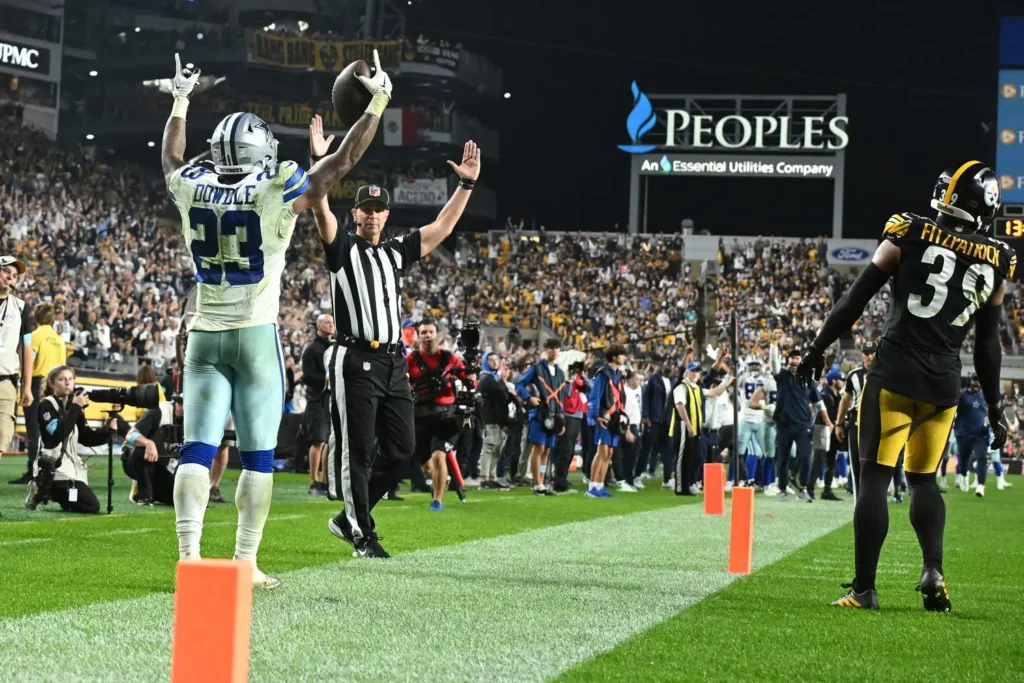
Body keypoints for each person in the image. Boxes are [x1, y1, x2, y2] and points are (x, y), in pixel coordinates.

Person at [161, 50, 391, 585]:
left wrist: (180, 99)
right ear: (260, 149)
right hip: (255, 338)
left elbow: (171, 159)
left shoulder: (192, 184)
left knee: (197, 448)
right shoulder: (276, 186)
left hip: (204, 335)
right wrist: (377, 101)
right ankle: (245, 563)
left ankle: (189, 557)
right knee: (258, 456)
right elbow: (342, 163)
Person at [798, 161, 1014, 612]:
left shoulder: (907, 231)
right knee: (923, 481)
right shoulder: (998, 257)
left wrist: (817, 348)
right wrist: (995, 407)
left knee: (875, 478)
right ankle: (933, 568)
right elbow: (989, 345)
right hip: (943, 385)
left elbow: (855, 298)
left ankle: (864, 589)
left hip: (894, 373)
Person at [310, 114, 480, 558]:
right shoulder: (341, 247)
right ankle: (362, 533)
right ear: (356, 213)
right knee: (357, 451)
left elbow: (442, 228)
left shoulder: (394, 252)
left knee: (404, 447)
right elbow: (318, 205)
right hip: (353, 359)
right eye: (364, 208)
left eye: (378, 208)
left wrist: (465, 185)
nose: (371, 214)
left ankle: (351, 517)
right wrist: (319, 161)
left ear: (386, 214)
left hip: (392, 361)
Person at [26, 366, 120, 514]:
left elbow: (86, 438)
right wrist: (76, 406)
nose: (67, 383)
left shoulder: (74, 407)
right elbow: (57, 434)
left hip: (71, 470)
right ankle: (43, 488)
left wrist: (106, 431)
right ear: (52, 384)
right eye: (62, 379)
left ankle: (49, 493)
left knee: (89, 506)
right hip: (52, 469)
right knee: (91, 506)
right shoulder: (47, 405)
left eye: (70, 379)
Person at [407, 319, 469, 511]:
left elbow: (470, 381)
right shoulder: (410, 360)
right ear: (418, 336)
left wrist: (472, 372)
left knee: (439, 456)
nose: (427, 336)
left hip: (445, 415)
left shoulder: (450, 358)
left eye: (430, 332)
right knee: (427, 466)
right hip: (420, 416)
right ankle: (440, 478)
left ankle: (437, 500)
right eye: (423, 332)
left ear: (437, 335)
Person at [770, 334, 831, 502]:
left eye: (798, 358)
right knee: (782, 458)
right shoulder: (782, 376)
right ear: (788, 361)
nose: (795, 361)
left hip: (803, 425)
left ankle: (803, 488)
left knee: (805, 457)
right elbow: (774, 364)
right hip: (784, 424)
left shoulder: (808, 381)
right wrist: (774, 345)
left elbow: (818, 403)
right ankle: (783, 490)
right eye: (792, 358)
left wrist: (828, 421)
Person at [14, 302, 65, 486]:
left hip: (36, 383)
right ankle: (50, 469)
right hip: (54, 386)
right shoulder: (59, 340)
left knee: (34, 429)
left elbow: (29, 360)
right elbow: (62, 369)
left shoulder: (35, 336)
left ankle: (33, 471)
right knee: (50, 429)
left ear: (36, 317)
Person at [515, 338, 569, 496]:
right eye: (551, 347)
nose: (554, 350)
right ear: (545, 349)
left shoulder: (560, 372)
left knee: (546, 451)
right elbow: (519, 385)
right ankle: (536, 483)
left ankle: (542, 480)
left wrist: (561, 421)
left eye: (557, 347)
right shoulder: (537, 368)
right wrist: (528, 398)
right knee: (538, 448)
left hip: (554, 416)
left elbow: (560, 398)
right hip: (539, 414)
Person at [0, 255, 33, 466]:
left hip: (5, 382)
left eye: (14, 275)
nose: (10, 278)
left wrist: (27, 387)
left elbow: (26, 349)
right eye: (6, 272)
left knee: (1, 438)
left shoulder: (21, 308)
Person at [123, 395, 185, 506]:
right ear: (179, 403)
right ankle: (143, 491)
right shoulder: (157, 411)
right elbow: (130, 435)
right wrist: (148, 443)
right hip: (135, 459)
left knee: (176, 498)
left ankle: (153, 490)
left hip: (162, 464)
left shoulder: (188, 420)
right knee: (142, 451)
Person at [586, 345, 631, 498]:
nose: (624, 358)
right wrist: (595, 416)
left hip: (615, 419)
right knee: (602, 452)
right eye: (622, 355)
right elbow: (594, 396)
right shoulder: (603, 374)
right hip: (604, 418)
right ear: (614, 357)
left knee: (609, 453)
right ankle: (592, 487)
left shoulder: (617, 375)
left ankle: (600, 486)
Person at [834, 341, 876, 495]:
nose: (869, 356)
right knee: (857, 465)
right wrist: (838, 423)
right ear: (862, 354)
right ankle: (859, 505)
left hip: (878, 422)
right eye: (866, 353)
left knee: (876, 465)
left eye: (872, 352)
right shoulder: (854, 375)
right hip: (857, 422)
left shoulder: (886, 373)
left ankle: (875, 502)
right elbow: (845, 400)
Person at [301, 314, 334, 495]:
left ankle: (326, 480)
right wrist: (327, 378)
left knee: (329, 441)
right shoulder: (312, 349)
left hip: (331, 398)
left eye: (332, 322)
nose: (330, 325)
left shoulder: (335, 346)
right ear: (318, 326)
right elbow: (307, 376)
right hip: (316, 399)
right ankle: (313, 480)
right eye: (326, 322)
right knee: (318, 440)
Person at [736, 355, 775, 490]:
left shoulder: (743, 377)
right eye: (752, 364)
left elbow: (732, 391)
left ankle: (759, 481)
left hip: (760, 419)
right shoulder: (765, 379)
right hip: (749, 419)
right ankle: (748, 480)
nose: (754, 367)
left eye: (756, 365)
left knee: (764, 453)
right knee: (749, 452)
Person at [476, 351, 514, 489]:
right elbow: (503, 395)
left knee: (497, 448)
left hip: (498, 418)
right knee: (490, 446)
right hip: (491, 418)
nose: (494, 362)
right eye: (491, 360)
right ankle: (484, 478)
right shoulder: (486, 378)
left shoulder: (494, 378)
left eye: (496, 360)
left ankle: (491, 476)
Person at [809, 369, 845, 501]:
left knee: (831, 461)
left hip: (832, 430)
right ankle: (809, 489)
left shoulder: (836, 395)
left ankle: (827, 490)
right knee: (818, 460)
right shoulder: (825, 394)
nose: (842, 382)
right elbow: (827, 415)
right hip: (822, 429)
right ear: (833, 380)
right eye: (840, 379)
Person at [954, 374, 990, 496]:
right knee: (964, 460)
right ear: (970, 381)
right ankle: (964, 476)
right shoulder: (962, 396)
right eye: (975, 380)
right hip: (963, 433)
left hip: (980, 433)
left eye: (980, 381)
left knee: (982, 457)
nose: (977, 383)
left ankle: (981, 486)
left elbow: (993, 411)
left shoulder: (985, 397)